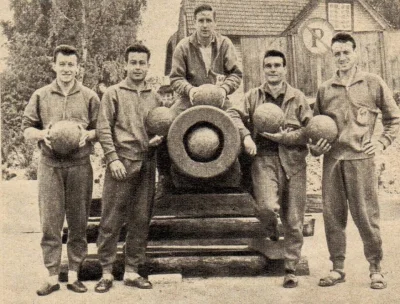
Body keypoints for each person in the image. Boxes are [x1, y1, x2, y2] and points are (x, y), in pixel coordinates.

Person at [310, 32, 400, 289]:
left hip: (362, 159)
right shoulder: (325, 89)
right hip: (333, 161)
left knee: (365, 215)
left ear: (355, 52)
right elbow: (314, 128)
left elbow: (393, 118)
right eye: (336, 53)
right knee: (332, 216)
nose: (341, 58)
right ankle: (337, 268)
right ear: (332, 56)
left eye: (345, 52)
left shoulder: (372, 83)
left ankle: (376, 268)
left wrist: (381, 142)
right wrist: (316, 148)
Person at [228, 50, 312, 288]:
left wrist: (287, 137)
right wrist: (246, 137)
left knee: (294, 219)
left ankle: (290, 268)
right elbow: (233, 114)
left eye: (277, 65)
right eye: (268, 66)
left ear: (285, 69)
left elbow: (310, 130)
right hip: (263, 160)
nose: (273, 69)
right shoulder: (253, 96)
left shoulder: (297, 98)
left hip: (293, 161)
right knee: (266, 207)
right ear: (263, 69)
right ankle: (271, 228)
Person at [22, 45, 100, 295]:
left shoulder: (90, 96)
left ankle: (74, 275)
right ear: (53, 65)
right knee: (50, 223)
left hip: (79, 166)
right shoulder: (41, 95)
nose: (67, 69)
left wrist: (88, 135)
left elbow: (102, 129)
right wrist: (43, 133)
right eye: (62, 64)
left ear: (78, 67)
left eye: (71, 65)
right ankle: (52, 276)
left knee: (79, 222)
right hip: (50, 166)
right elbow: (26, 129)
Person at [94, 43, 163, 293]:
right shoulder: (113, 93)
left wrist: (158, 139)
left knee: (140, 219)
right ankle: (106, 272)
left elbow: (160, 127)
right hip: (121, 164)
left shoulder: (154, 96)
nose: (137, 67)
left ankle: (132, 271)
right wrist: (112, 159)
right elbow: (103, 128)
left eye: (141, 62)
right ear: (126, 64)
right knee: (111, 219)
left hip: (146, 164)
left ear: (147, 65)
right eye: (133, 62)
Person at [169, 3, 242, 114]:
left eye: (208, 20)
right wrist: (190, 90)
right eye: (201, 21)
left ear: (215, 23)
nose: (204, 25)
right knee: (169, 121)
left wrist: (224, 90)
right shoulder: (183, 46)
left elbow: (236, 74)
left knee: (237, 122)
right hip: (189, 99)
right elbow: (175, 78)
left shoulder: (225, 44)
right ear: (194, 23)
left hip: (218, 98)